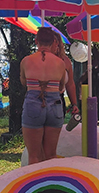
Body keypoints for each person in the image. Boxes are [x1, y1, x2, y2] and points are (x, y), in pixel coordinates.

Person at [20, 29, 78, 163]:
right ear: (54, 42)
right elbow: (63, 84)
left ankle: (34, 183)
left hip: (33, 103)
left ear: (36, 41)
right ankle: (50, 182)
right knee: (51, 155)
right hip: (55, 104)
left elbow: (23, 82)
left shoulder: (26, 61)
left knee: (34, 156)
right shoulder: (60, 63)